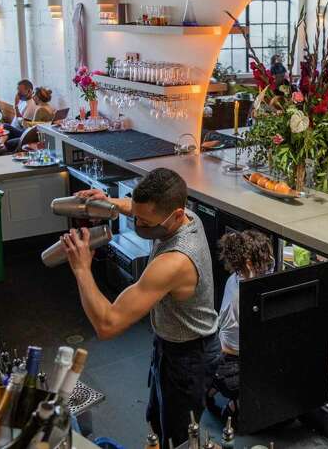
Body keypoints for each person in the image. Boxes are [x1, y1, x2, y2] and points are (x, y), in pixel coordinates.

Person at [61, 169, 219, 446]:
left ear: (177, 215)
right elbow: (139, 209)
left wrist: (81, 268)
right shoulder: (185, 215)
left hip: (189, 356)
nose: (138, 225)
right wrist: (109, 202)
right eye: (136, 216)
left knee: (178, 438)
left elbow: (107, 325)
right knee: (158, 421)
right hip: (169, 345)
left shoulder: (175, 262)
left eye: (144, 222)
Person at [204, 229, 274, 421]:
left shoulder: (234, 279)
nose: (269, 266)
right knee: (270, 373)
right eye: (266, 262)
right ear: (250, 264)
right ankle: (234, 406)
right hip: (231, 362)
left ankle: (211, 386)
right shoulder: (245, 297)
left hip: (218, 353)